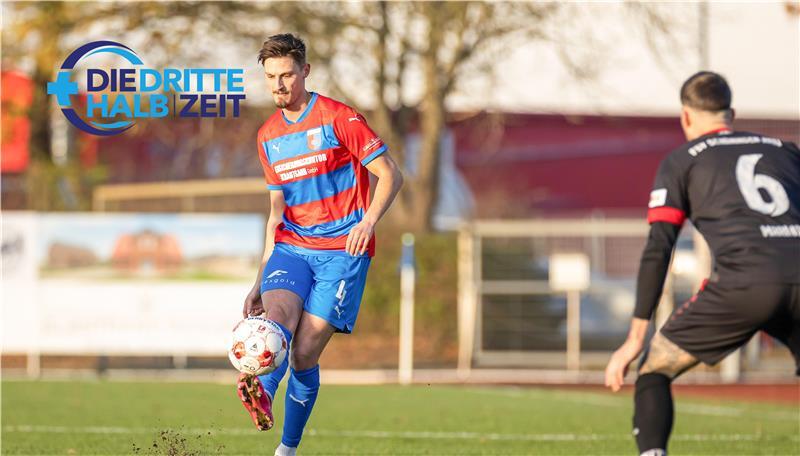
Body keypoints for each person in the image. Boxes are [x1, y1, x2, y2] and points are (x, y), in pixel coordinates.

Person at [604, 71, 800, 456]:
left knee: (654, 371)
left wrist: (634, 338)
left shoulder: (681, 161)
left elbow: (659, 246)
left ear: (686, 117)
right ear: (732, 113)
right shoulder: (787, 150)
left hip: (743, 286)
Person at [237, 33, 403, 456]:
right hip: (292, 246)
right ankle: (262, 391)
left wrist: (368, 221)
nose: (279, 85)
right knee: (276, 317)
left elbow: (389, 173)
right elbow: (277, 213)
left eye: (287, 75)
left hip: (341, 253)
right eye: (271, 77)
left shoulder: (339, 119)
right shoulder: (267, 136)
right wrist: (259, 278)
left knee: (305, 352)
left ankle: (287, 449)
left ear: (305, 72)